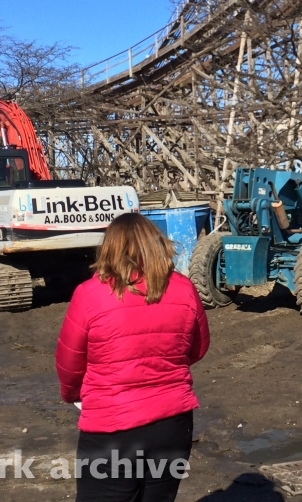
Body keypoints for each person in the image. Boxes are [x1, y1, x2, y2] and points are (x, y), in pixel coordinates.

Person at [56, 213, 210, 502]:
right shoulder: (184, 288)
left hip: (112, 428)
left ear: (110, 248)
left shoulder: (90, 294)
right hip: (173, 423)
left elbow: (69, 364)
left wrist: (73, 395)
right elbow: (198, 347)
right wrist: (164, 366)